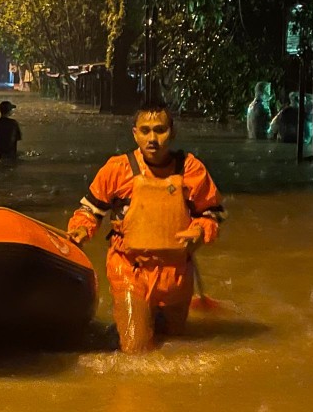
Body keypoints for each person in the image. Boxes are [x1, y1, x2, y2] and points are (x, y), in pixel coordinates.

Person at [66, 103, 225, 353]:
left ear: (172, 133)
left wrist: (201, 230)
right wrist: (82, 229)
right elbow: (90, 210)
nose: (152, 139)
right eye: (146, 130)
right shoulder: (117, 169)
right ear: (135, 133)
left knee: (176, 345)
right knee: (136, 350)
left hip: (177, 274)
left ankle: (137, 324)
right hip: (130, 269)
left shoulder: (191, 169)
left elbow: (212, 213)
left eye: (160, 130)